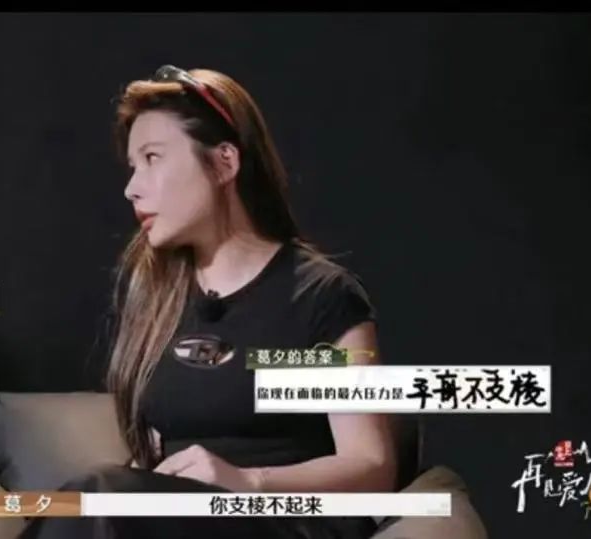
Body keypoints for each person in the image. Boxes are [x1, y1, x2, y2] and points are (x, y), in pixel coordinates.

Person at [21, 64, 396, 539]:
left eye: (152, 158)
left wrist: (248, 482)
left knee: (102, 495)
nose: (131, 187)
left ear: (224, 163)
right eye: (133, 166)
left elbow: (372, 466)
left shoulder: (321, 295)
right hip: (171, 523)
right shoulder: (157, 295)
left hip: (283, 522)